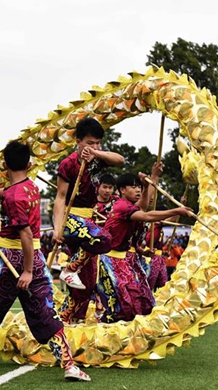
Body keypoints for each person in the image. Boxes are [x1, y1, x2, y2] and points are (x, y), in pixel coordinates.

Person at [0, 141, 90, 382]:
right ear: (29, 164)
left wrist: (27, 272)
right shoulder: (31, 188)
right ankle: (69, 366)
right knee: (45, 312)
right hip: (35, 258)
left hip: (10, 260)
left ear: (3, 165)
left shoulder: (13, 196)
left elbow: (25, 234)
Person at [96, 172, 193, 322]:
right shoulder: (122, 206)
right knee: (122, 305)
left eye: (139, 187)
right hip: (109, 260)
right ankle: (104, 332)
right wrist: (177, 210)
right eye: (133, 187)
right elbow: (147, 216)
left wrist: (149, 183)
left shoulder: (130, 207)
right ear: (122, 190)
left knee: (142, 299)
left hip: (124, 261)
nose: (138, 190)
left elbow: (143, 208)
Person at [53, 118, 123, 323]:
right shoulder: (67, 164)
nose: (95, 147)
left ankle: (65, 320)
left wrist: (96, 153)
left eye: (98, 143)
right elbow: (59, 198)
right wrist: (58, 229)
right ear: (78, 141)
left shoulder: (97, 159)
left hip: (89, 220)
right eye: (90, 143)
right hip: (71, 218)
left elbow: (119, 160)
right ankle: (69, 268)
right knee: (103, 239)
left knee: (87, 283)